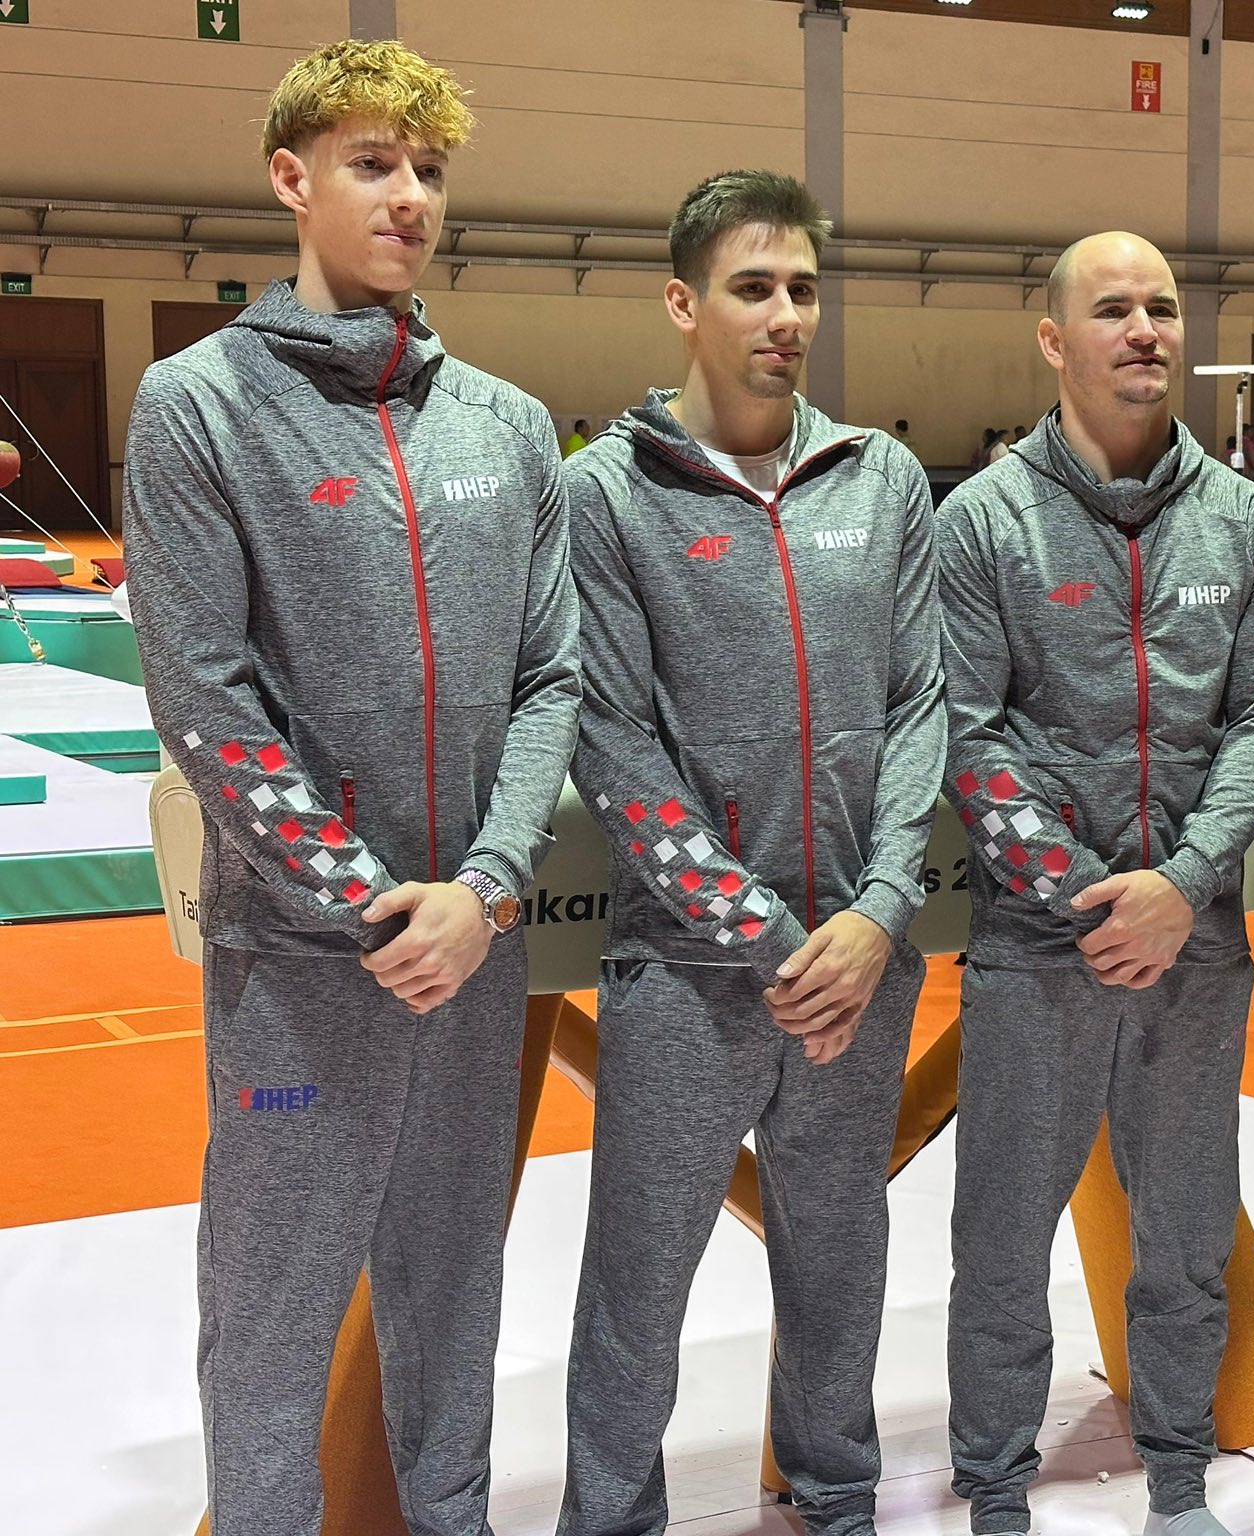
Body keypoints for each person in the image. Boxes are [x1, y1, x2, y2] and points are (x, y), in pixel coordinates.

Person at [123, 39, 581, 1536]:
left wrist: (487, 889)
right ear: (290, 178)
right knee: (271, 1308)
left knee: (453, 1295)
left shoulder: (507, 428)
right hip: (304, 972)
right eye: (374, 164)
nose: (408, 197)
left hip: (472, 953)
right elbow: (205, 696)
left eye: (429, 170)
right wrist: (376, 909)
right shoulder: (200, 406)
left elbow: (551, 680)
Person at [555, 168, 944, 1536]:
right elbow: (613, 742)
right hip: (688, 971)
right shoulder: (604, 496)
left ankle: (838, 1498)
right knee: (638, 1284)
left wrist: (880, 909)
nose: (787, 316)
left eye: (803, 289)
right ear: (683, 303)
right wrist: (774, 940)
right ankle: (611, 1519)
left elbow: (921, 703)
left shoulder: (881, 479)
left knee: (840, 1263)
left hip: (862, 962)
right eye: (753, 287)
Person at [939, 231, 1254, 1536]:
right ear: (1054, 340)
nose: (1144, 328)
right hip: (1039, 952)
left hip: (1195, 947)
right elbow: (965, 729)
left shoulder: (1242, 520)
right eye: (1112, 309)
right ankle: (995, 1492)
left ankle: (1181, 1479)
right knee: (1000, 1245)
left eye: (1161, 306)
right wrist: (1090, 898)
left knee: (1186, 1237)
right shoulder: (984, 522)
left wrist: (1185, 884)